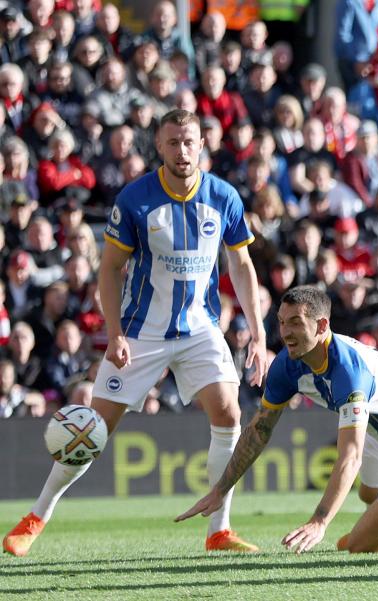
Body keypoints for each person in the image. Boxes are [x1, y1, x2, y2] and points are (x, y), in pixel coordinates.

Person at [3, 109, 268, 557]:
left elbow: (241, 265)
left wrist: (258, 335)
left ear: (201, 143)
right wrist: (116, 332)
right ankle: (36, 515)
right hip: (141, 333)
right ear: (158, 147)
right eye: (172, 143)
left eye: (189, 142)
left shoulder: (224, 197)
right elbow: (109, 269)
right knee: (93, 429)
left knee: (228, 414)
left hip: (200, 328)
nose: (182, 151)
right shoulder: (136, 199)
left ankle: (219, 532)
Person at [176, 286, 378, 554]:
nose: (285, 333)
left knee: (360, 548)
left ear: (321, 326)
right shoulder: (288, 366)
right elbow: (259, 430)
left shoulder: (349, 371)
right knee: (367, 497)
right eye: (282, 322)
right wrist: (221, 489)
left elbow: (350, 456)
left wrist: (320, 521)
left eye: (295, 324)